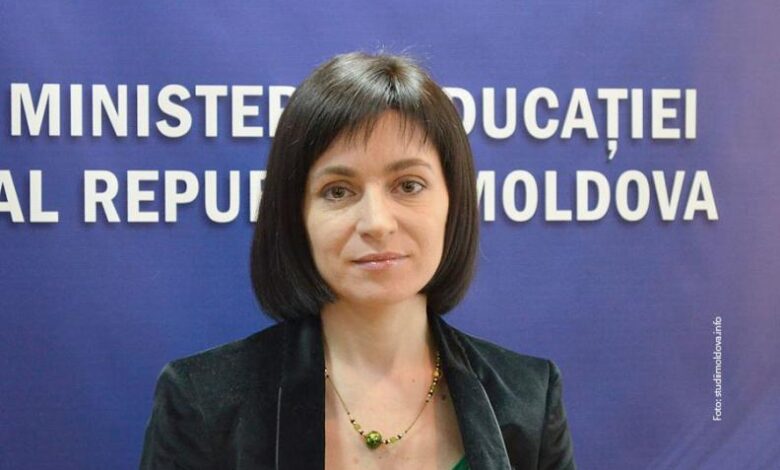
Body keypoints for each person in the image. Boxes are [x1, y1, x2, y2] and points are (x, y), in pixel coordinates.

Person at [139, 51, 576, 470]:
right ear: (296, 215)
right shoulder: (202, 402)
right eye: (338, 191)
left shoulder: (529, 398)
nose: (377, 223)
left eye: (408, 185)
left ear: (453, 201)